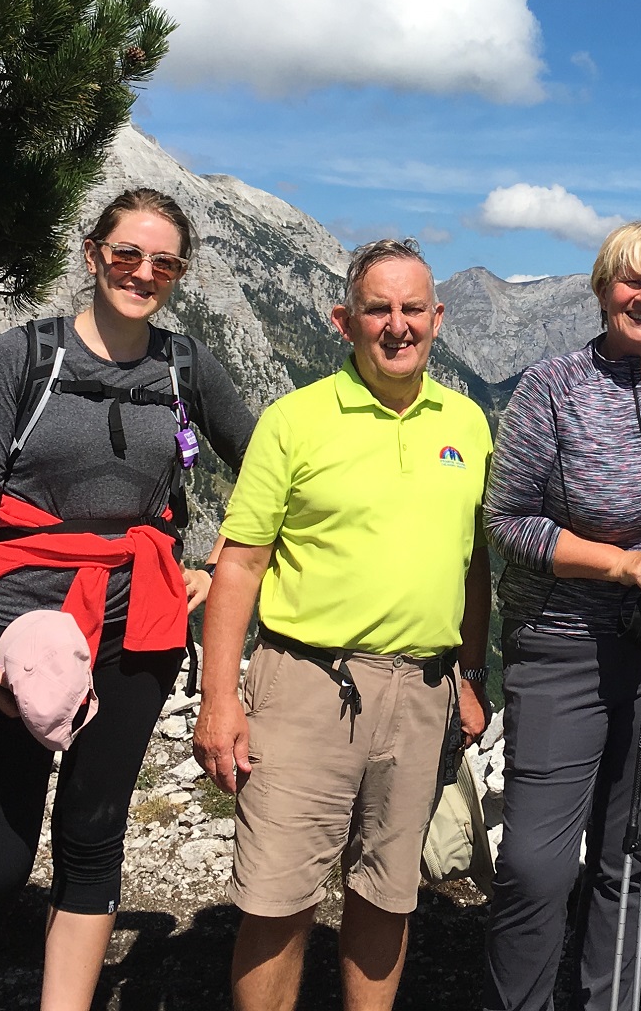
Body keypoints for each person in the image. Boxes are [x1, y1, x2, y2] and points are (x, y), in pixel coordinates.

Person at [0, 188, 256, 1011]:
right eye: (127, 254)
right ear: (92, 253)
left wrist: (213, 562)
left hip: (140, 625)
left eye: (163, 262)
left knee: (94, 839)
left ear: (178, 273)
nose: (143, 273)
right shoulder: (23, 356)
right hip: (13, 626)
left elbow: (268, 468)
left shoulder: (185, 366)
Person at [192, 237, 492, 1011]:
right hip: (305, 683)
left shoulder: (468, 422)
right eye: (378, 309)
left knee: (389, 894)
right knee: (276, 895)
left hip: (424, 688)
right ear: (343, 320)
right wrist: (220, 699)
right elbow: (241, 565)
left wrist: (471, 671)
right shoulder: (295, 420)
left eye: (413, 309)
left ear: (438, 317)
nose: (398, 325)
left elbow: (474, 565)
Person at [481, 221, 641, 1011]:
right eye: (631, 280)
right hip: (563, 643)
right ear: (602, 287)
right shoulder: (552, 386)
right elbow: (507, 519)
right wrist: (616, 563)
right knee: (534, 862)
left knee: (631, 848)